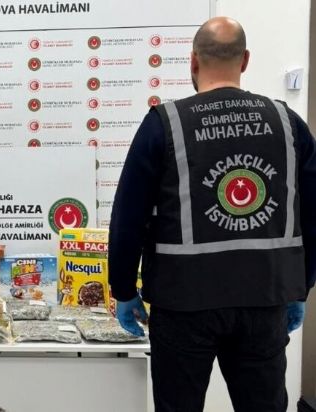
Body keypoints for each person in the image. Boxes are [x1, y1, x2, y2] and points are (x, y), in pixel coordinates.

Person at [109, 17, 316, 412]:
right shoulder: (288, 123)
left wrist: (123, 289)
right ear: (245, 60)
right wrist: (301, 286)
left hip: (182, 302)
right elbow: (313, 213)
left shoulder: (164, 124)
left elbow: (128, 217)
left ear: (193, 61)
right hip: (264, 297)